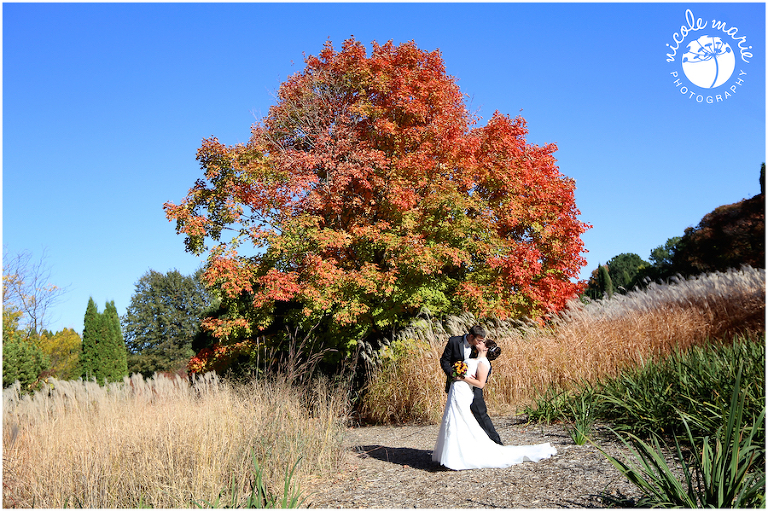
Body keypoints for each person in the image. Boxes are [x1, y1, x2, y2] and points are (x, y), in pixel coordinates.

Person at [432, 337, 557, 470]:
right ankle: (451, 454)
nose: (479, 342)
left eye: (482, 342)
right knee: (451, 417)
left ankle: (460, 456)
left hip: (464, 392)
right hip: (456, 390)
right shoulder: (474, 358)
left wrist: (462, 377)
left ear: (486, 348)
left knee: (461, 418)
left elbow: (480, 384)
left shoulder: (484, 363)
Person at [439, 325, 502, 444]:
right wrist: (453, 373)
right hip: (457, 386)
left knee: (481, 414)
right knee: (456, 416)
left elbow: (486, 364)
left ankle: (496, 443)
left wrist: (478, 378)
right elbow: (444, 361)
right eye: (479, 340)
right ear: (471, 336)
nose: (481, 342)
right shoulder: (454, 342)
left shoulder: (479, 347)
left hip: (474, 386)